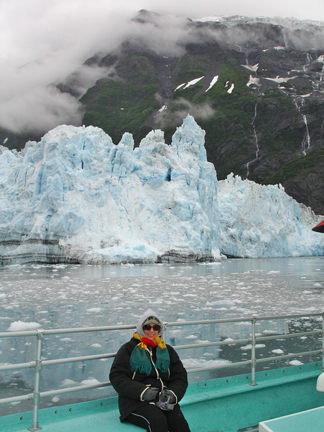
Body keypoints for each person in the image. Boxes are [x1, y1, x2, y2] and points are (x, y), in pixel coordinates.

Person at [109, 308, 191, 432]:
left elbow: (180, 376)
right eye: (147, 327)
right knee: (157, 421)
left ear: (160, 329)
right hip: (135, 403)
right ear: (141, 328)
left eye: (155, 327)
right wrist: (142, 392)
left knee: (179, 423)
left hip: (163, 400)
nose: (151, 331)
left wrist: (173, 395)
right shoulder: (128, 349)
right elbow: (117, 376)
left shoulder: (167, 350)